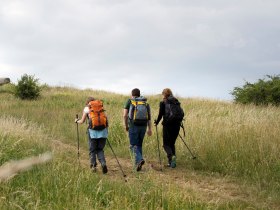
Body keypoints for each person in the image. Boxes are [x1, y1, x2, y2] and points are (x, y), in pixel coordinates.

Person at [75, 97, 108, 174]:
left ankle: (93, 166)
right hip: (103, 132)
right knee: (100, 149)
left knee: (92, 150)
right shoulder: (100, 107)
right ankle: (103, 163)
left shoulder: (87, 108)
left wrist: (76, 121)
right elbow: (105, 120)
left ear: (88, 103)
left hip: (92, 132)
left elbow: (82, 121)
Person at [123, 88, 152, 171]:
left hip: (133, 125)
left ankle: (139, 160)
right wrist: (149, 129)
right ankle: (137, 166)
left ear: (132, 94)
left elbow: (125, 115)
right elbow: (149, 117)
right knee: (139, 145)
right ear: (139, 94)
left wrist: (126, 126)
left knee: (132, 145)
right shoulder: (145, 103)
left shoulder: (130, 101)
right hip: (143, 126)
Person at [154, 88, 183, 168]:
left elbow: (160, 114)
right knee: (172, 143)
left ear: (164, 94)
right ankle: (172, 163)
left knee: (166, 144)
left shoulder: (163, 102)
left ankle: (171, 157)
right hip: (177, 125)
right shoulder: (176, 101)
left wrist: (156, 122)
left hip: (168, 125)